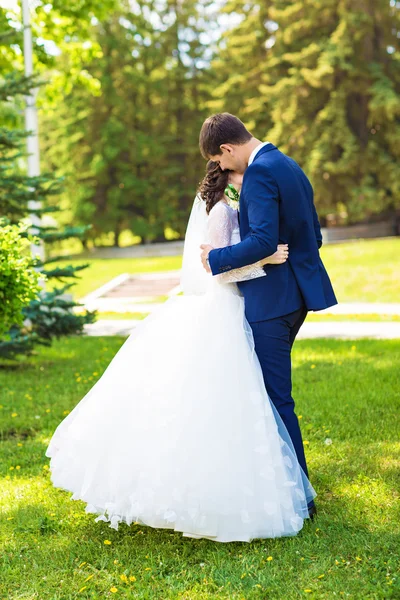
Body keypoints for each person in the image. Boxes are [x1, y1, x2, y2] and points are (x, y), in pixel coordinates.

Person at [44, 161, 316, 543]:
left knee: (242, 404)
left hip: (240, 310)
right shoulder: (221, 211)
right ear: (229, 178)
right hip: (224, 309)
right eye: (240, 176)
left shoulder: (233, 205)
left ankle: (249, 477)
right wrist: (263, 259)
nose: (247, 179)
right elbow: (217, 272)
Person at [199, 113, 338, 519]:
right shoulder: (288, 164)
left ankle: (300, 496)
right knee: (270, 395)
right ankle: (281, 482)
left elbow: (261, 239)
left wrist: (216, 259)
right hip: (295, 298)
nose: (221, 168)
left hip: (269, 303)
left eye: (220, 160)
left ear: (227, 148)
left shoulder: (259, 173)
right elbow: (313, 233)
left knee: (276, 400)